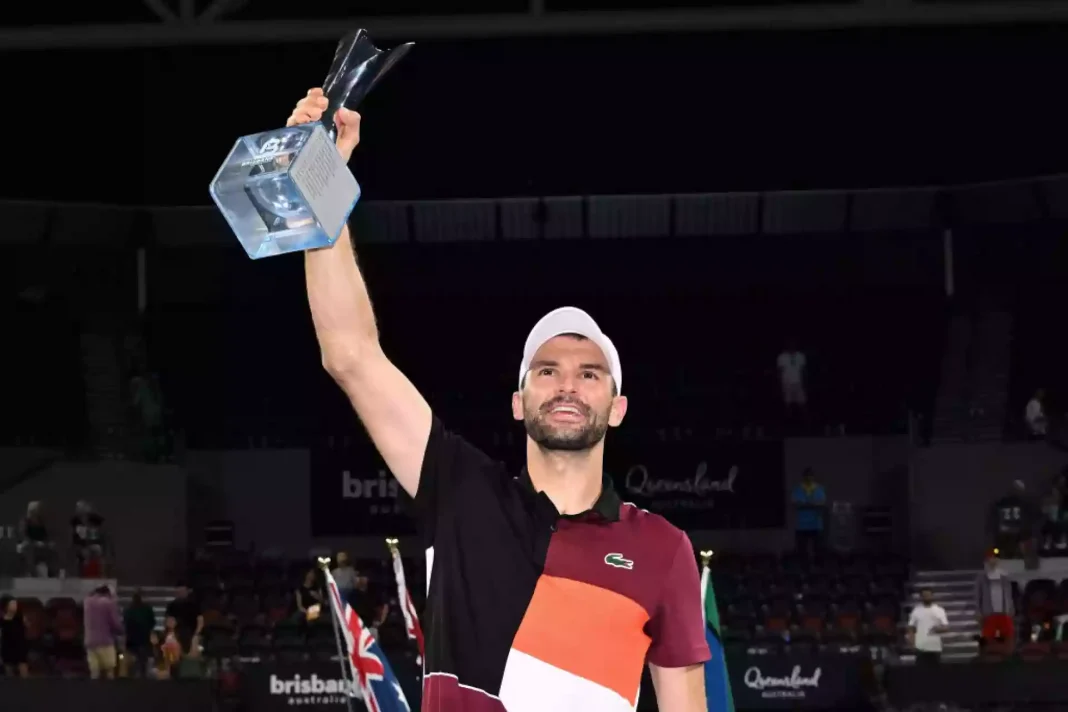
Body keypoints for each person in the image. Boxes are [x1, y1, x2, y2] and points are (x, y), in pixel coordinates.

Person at [290, 88, 710, 712]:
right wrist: (318, 176)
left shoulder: (662, 548)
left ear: (618, 408)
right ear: (518, 401)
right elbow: (350, 353)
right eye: (548, 370)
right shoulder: (459, 492)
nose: (567, 384)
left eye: (590, 374)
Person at [975, 550, 1015, 649]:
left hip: (1004, 612)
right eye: (991, 558)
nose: (993, 560)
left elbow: (1008, 595)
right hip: (989, 613)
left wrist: (1011, 608)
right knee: (988, 637)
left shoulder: (1004, 576)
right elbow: (978, 596)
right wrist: (978, 612)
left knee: (1008, 636)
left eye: (995, 558)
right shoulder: (981, 578)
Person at [83, 585, 123, 679]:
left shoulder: (87, 602)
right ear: (108, 593)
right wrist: (121, 631)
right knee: (109, 672)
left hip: (90, 642)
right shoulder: (108, 603)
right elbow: (115, 624)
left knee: (94, 673)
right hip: (105, 642)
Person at [907, 587, 949, 665]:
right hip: (920, 646)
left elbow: (946, 627)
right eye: (924, 595)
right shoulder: (916, 610)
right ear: (921, 597)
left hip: (935, 646)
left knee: (935, 669)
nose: (926, 597)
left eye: (928, 595)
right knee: (921, 669)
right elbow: (911, 628)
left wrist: (937, 630)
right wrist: (912, 643)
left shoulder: (939, 610)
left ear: (932, 596)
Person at [792, 467, 826, 557]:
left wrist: (805, 504)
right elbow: (796, 505)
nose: (808, 477)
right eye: (806, 475)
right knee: (801, 551)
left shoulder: (819, 489)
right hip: (802, 526)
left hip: (816, 525)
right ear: (803, 477)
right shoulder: (797, 489)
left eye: (810, 475)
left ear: (813, 477)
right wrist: (813, 504)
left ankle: (817, 565)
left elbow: (821, 504)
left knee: (818, 551)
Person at [123, 590, 157, 677]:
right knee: (144, 662)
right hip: (144, 640)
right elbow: (153, 623)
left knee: (133, 664)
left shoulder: (128, 609)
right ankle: (143, 677)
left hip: (131, 641)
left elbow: (125, 624)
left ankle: (134, 677)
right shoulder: (147, 609)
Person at [16, 501, 54, 577]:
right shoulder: (25, 521)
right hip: (27, 544)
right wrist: (35, 542)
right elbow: (23, 535)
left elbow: (45, 536)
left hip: (39, 545)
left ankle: (51, 573)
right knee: (29, 549)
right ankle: (31, 573)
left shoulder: (40, 522)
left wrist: (47, 543)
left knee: (51, 549)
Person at [71, 501, 106, 577]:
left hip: (92, 544)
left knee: (98, 550)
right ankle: (83, 573)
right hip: (81, 546)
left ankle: (101, 574)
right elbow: (77, 540)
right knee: (85, 553)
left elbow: (99, 523)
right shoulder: (76, 523)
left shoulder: (93, 520)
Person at [0, 595, 29, 678]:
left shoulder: (20, 617)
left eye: (15, 604)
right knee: (9, 668)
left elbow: (27, 626)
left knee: (22, 666)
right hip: (7, 646)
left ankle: (25, 682)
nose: (14, 606)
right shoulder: (2, 617)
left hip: (19, 645)